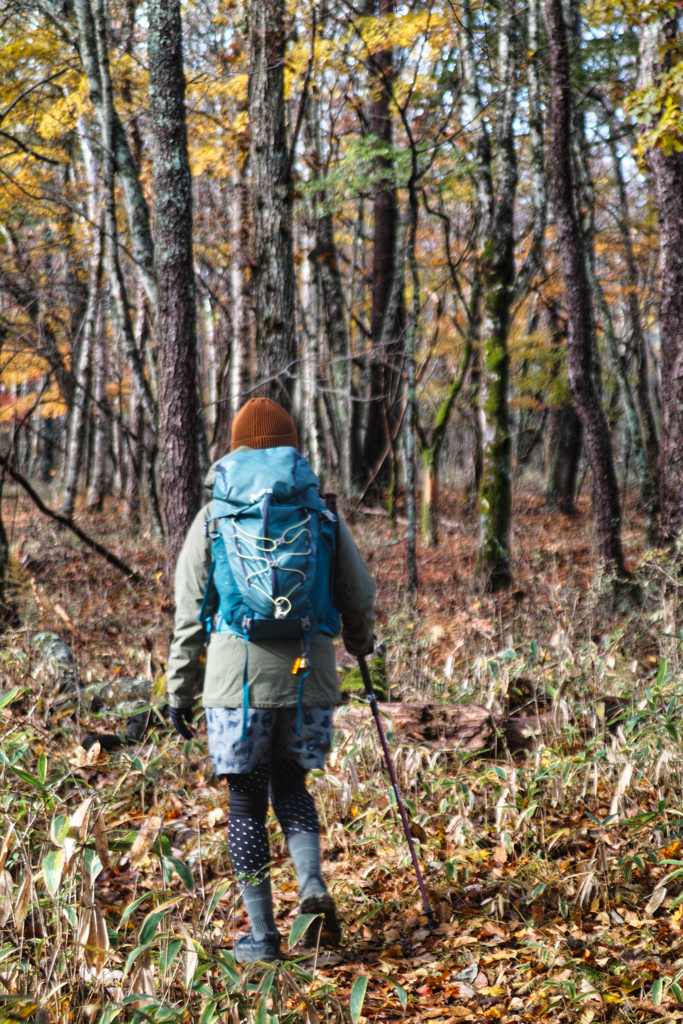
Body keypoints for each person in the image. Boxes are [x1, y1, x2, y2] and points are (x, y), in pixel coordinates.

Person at [165, 398, 375, 963]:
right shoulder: (321, 513)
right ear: (289, 446)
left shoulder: (215, 515)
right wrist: (361, 647)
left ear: (234, 448)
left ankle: (263, 938)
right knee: (292, 787)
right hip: (310, 678)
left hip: (238, 683)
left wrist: (178, 690)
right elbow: (357, 593)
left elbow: (190, 611)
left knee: (244, 802)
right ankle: (312, 890)